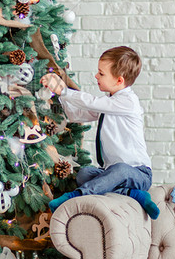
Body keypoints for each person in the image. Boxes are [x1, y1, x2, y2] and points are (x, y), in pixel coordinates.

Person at [40, 46, 159, 219]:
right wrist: (60, 94)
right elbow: (76, 114)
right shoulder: (110, 102)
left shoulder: (127, 101)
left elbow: (92, 102)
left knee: (120, 170)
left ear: (119, 80)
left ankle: (74, 197)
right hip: (111, 172)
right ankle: (133, 194)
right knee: (85, 174)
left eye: (101, 74)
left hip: (138, 173)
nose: (96, 76)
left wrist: (64, 90)